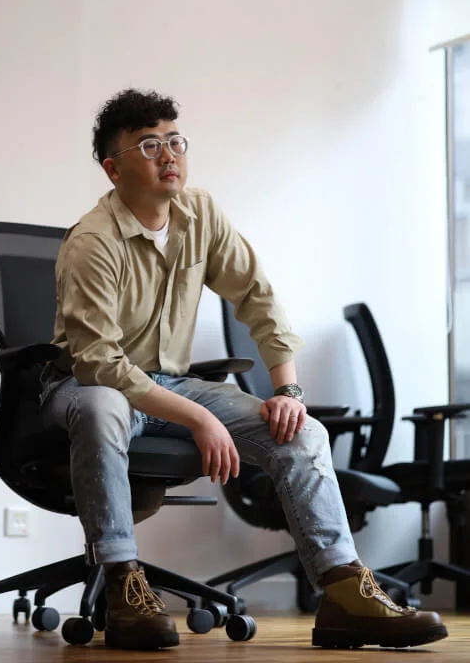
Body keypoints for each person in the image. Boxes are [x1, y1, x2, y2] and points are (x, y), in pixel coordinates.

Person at [41, 88, 447, 651]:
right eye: (150, 145)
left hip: (169, 384)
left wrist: (289, 391)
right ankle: (121, 581)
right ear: (113, 169)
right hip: (84, 386)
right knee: (104, 404)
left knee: (302, 432)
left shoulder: (200, 215)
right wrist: (199, 419)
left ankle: (342, 591)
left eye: (175, 141)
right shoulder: (92, 242)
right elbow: (101, 365)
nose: (169, 155)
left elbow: (258, 298)